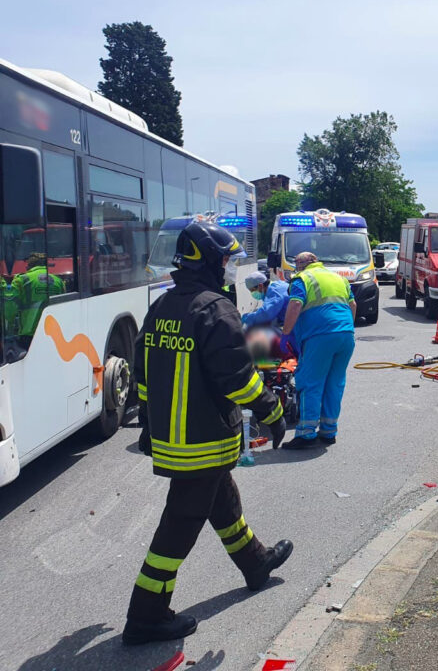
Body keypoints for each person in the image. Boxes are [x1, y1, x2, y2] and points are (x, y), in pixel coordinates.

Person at [124, 220, 292, 645]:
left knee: (223, 502)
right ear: (209, 262)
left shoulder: (163, 305)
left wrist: (148, 424)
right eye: (225, 261)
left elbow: (141, 373)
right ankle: (146, 615)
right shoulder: (215, 309)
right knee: (179, 526)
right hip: (203, 440)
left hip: (174, 438)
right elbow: (238, 379)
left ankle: (255, 563)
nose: (229, 268)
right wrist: (272, 410)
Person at [280, 251, 357, 448]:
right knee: (335, 383)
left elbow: (295, 303)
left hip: (319, 336)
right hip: (346, 335)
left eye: (296, 264)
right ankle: (329, 431)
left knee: (310, 382)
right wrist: (347, 327)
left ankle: (306, 434)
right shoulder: (338, 278)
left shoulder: (302, 279)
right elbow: (353, 305)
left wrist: (285, 332)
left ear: (301, 264)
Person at [14, 252, 66, 339]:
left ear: (29, 265)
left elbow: (10, 307)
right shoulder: (58, 281)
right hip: (53, 332)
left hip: (29, 331)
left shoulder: (21, 279)